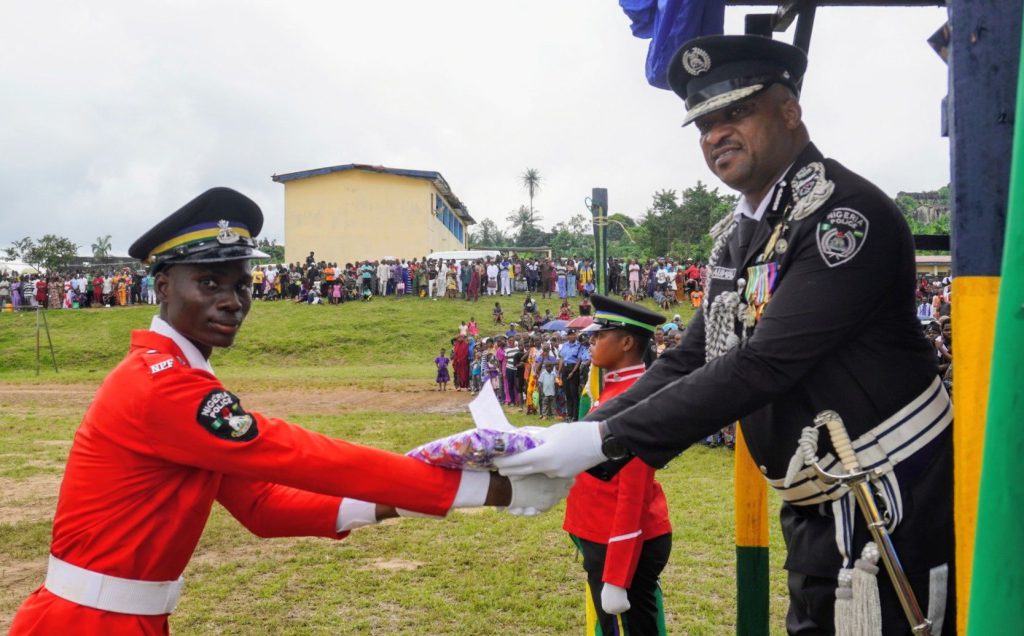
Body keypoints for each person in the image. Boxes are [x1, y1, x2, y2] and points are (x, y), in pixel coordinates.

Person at [495, 35, 954, 634]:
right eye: (705, 123)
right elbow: (690, 359)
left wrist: (602, 441)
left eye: (736, 111)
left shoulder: (843, 215)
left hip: (891, 499)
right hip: (818, 502)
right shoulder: (740, 237)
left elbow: (763, 364)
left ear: (789, 111)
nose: (716, 134)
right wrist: (578, 435)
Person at [10, 188, 570, 635]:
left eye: (240, 284)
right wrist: (492, 491)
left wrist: (399, 505)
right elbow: (294, 455)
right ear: (162, 287)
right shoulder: (160, 386)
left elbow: (262, 506)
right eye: (208, 283)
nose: (232, 301)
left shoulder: (175, 378)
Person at [564, 295, 672, 636]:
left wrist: (617, 575)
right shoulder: (615, 390)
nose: (592, 341)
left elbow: (633, 491)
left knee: (636, 628)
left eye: (600, 335)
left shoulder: (636, 399)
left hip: (623, 540)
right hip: (599, 531)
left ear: (627, 342)